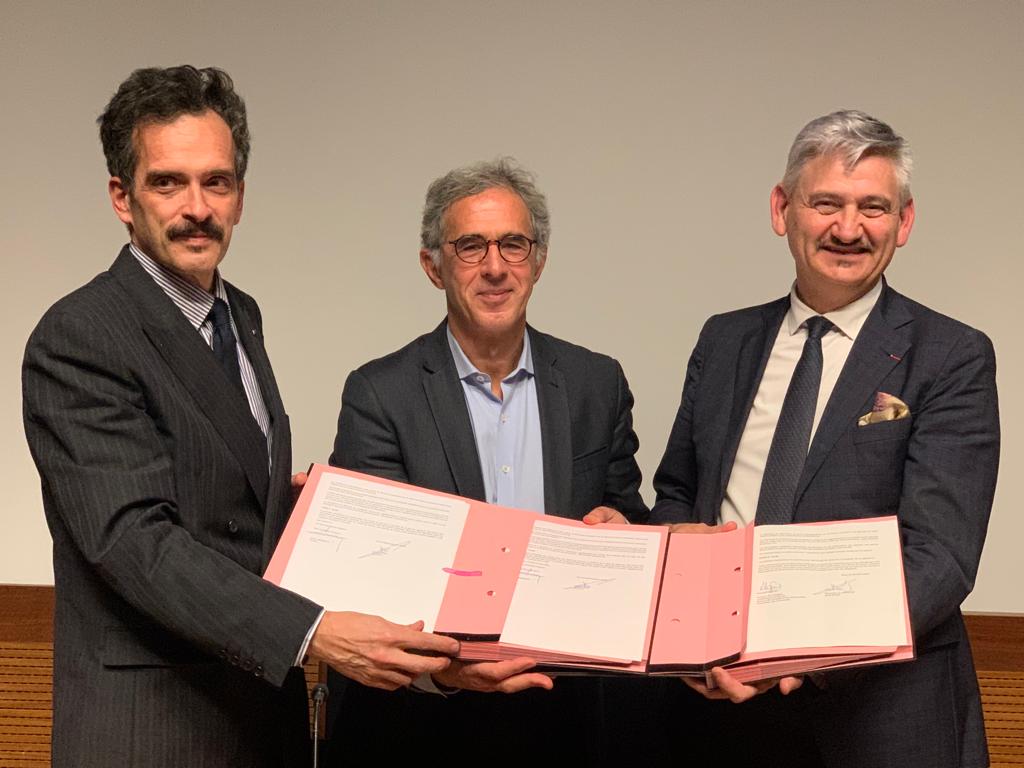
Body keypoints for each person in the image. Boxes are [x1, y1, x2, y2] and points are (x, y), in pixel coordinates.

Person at [21, 65, 457, 768]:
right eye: (168, 183)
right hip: (153, 729)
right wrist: (312, 632)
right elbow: (134, 541)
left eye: (216, 182)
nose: (197, 207)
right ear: (122, 197)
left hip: (257, 716)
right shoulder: (82, 334)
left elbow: (225, 501)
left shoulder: (239, 315)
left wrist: (308, 508)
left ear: (241, 196)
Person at [649, 110, 999, 767]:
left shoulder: (951, 355)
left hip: (882, 717)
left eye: (873, 207)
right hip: (716, 709)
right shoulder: (724, 340)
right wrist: (685, 613)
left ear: (904, 222)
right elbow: (678, 495)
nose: (847, 228)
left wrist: (792, 651)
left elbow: (941, 556)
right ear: (782, 209)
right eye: (827, 203)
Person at [325, 158, 650, 762]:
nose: (496, 267)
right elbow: (372, 575)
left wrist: (624, 529)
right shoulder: (380, 394)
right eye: (471, 247)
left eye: (513, 245)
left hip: (568, 715)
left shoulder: (596, 383)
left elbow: (628, 514)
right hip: (426, 723)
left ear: (539, 261)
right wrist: (446, 671)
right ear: (433, 267)